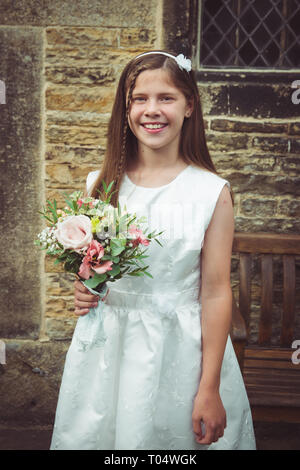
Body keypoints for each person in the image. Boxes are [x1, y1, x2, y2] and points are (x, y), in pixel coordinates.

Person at [50, 50, 256, 450]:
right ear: (125, 108)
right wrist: (85, 287)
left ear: (189, 105)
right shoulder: (100, 183)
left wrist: (209, 388)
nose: (152, 110)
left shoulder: (211, 192)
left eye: (166, 98)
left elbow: (214, 292)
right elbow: (96, 268)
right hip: (109, 349)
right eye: (140, 99)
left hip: (180, 350)